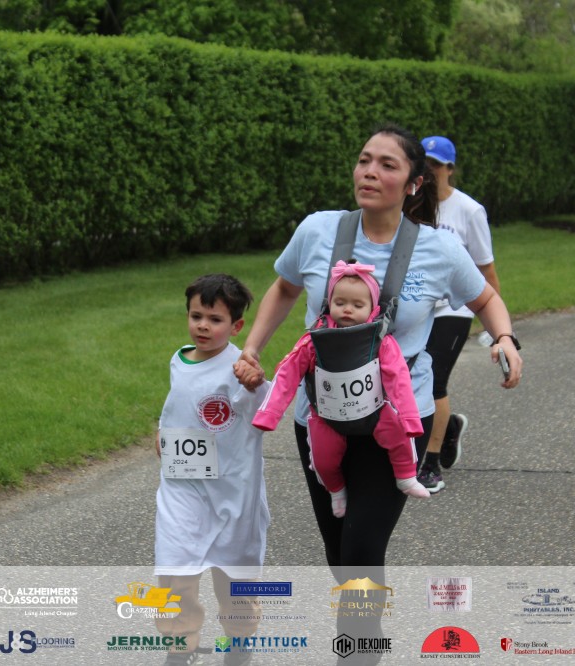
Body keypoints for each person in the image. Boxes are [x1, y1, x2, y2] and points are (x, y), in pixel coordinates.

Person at [233, 123, 522, 661]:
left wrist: (504, 337)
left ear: (414, 183)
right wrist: (252, 349)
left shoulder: (439, 248)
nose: (369, 171)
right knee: (339, 551)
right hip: (320, 416)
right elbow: (284, 288)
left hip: (397, 415)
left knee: (363, 548)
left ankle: (360, 651)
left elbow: (485, 298)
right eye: (365, 160)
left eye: (387, 165)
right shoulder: (318, 230)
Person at [252, 259, 430, 518]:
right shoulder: (314, 339)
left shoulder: (380, 339)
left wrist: (410, 418)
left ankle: (406, 477)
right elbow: (286, 375)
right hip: (326, 416)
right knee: (321, 460)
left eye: (357, 305)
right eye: (340, 303)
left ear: (372, 308)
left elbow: (399, 379)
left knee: (400, 436)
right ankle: (336, 490)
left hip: (376, 411)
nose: (347, 309)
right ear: (328, 303)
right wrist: (269, 415)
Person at [154, 274, 271, 666]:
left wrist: (255, 384)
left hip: (231, 491)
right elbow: (178, 404)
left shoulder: (240, 369)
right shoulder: (180, 358)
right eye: (196, 316)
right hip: (182, 488)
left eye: (215, 319)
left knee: (234, 575)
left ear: (236, 326)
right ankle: (180, 648)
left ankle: (239, 644)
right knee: (175, 568)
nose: (203, 326)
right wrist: (163, 432)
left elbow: (267, 409)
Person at [416, 135, 502, 493]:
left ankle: (431, 463)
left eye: (436, 164)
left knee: (434, 380)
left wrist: (498, 329)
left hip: (455, 307)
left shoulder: (469, 210)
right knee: (411, 377)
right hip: (418, 303)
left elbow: (486, 269)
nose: (430, 170)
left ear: (450, 169)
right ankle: (448, 426)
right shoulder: (409, 203)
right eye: (424, 163)